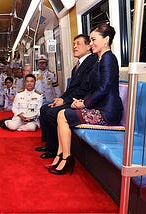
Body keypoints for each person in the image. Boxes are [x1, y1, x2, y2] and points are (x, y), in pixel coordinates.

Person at [47, 23, 123, 175]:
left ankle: (66, 157)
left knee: (64, 115)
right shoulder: (100, 60)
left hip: (108, 112)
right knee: (62, 114)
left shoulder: (109, 58)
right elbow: (93, 88)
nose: (91, 43)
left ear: (106, 40)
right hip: (99, 107)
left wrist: (84, 103)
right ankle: (61, 155)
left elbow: (105, 87)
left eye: (94, 39)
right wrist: (80, 102)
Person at [36, 34, 98, 159]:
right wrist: (60, 98)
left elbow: (83, 89)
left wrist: (64, 100)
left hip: (81, 101)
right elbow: (71, 89)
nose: (75, 46)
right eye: (74, 44)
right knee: (44, 109)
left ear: (88, 47)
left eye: (78, 44)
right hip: (72, 98)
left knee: (51, 113)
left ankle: (56, 149)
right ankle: (50, 144)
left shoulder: (91, 62)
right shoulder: (78, 66)